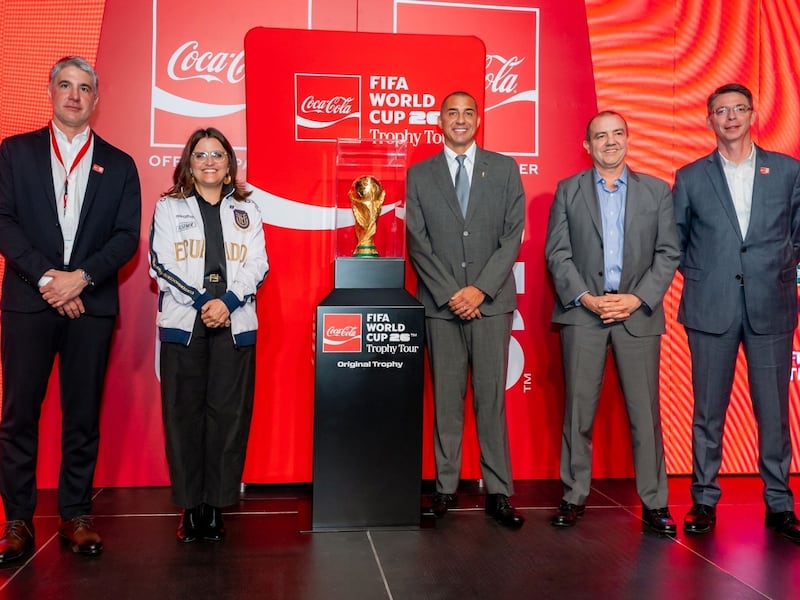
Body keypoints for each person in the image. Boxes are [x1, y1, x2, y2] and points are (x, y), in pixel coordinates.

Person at [0, 56, 141, 561]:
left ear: (96, 100)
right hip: (28, 303)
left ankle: (76, 514)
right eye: (66, 85)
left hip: (91, 304)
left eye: (84, 88)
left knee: (82, 415)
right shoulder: (14, 153)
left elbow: (126, 237)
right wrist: (48, 279)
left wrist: (79, 278)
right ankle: (16, 521)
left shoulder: (120, 164)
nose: (75, 95)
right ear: (51, 91)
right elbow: (5, 222)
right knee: (19, 416)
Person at [673, 83, 800, 541]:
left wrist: (780, 267)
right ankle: (704, 500)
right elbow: (678, 240)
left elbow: (798, 233)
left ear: (753, 114)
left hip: (772, 305)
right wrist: (709, 274)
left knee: (774, 412)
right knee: (707, 412)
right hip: (711, 309)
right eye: (720, 110)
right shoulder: (689, 176)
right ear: (709, 119)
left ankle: (779, 505)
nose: (730, 117)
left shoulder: (787, 171)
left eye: (738, 109)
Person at [545, 111, 679, 535]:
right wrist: (587, 298)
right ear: (587, 146)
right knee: (578, 414)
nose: (609, 142)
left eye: (617, 134)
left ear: (628, 139)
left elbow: (668, 252)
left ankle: (655, 504)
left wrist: (635, 298)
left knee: (646, 416)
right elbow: (557, 254)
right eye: (600, 136)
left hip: (636, 314)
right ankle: (573, 496)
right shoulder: (568, 191)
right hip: (584, 315)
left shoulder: (657, 191)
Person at [406, 90, 525, 529]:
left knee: (491, 401)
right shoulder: (420, 175)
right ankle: (444, 488)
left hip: (491, 305)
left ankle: (499, 492)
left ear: (478, 120)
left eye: (467, 112)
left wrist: (479, 290)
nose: (460, 119)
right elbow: (418, 242)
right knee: (447, 400)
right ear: (439, 120)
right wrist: (452, 293)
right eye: (451, 113)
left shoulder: (506, 169)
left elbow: (512, 235)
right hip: (441, 307)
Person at [149, 127, 268, 543]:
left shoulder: (248, 210)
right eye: (201, 155)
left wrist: (229, 302)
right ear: (189, 163)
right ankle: (190, 507)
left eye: (218, 154)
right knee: (184, 417)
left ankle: (215, 507)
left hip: (235, 325)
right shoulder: (169, 207)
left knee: (228, 418)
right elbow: (160, 264)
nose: (210, 161)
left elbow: (259, 264)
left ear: (229, 164)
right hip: (186, 324)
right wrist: (204, 301)